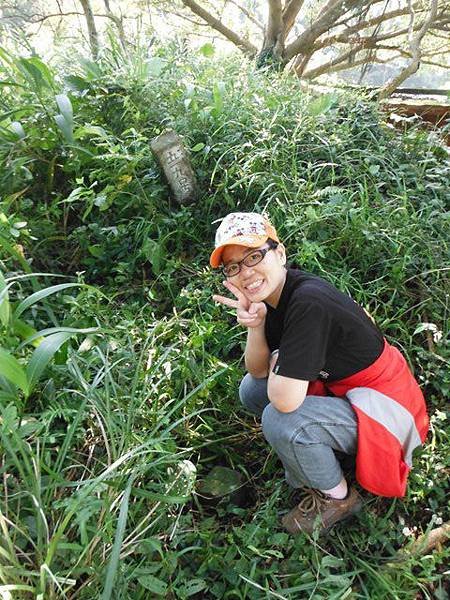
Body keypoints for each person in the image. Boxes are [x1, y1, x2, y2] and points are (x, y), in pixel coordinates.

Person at [210, 212, 429, 535]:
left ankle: (339, 498)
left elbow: (284, 402)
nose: (246, 272)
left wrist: (279, 368)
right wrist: (256, 326)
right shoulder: (274, 297)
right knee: (252, 389)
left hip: (389, 409)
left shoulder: (307, 302)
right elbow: (257, 371)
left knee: (280, 419)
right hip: (345, 389)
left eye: (254, 256)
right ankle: (318, 449)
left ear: (280, 253)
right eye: (233, 267)